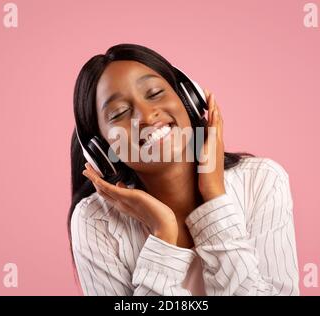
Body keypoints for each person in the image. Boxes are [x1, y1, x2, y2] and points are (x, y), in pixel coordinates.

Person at [68, 43, 299, 296]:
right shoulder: (95, 220)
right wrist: (163, 234)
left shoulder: (261, 181)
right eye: (120, 112)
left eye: (155, 93)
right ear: (101, 149)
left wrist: (214, 198)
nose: (146, 116)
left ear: (188, 99)